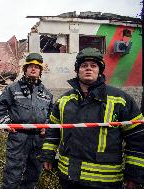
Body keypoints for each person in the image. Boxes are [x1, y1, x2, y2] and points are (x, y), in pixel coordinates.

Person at [41, 48, 144, 189]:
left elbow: (137, 137)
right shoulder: (64, 100)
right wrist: (48, 154)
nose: (88, 68)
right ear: (77, 70)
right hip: (69, 177)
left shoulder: (120, 100)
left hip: (105, 181)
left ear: (100, 70)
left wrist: (134, 173)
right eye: (84, 66)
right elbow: (53, 131)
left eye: (93, 65)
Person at [0, 52, 53, 189]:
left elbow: (52, 113)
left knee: (33, 173)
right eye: (30, 66)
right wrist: (7, 123)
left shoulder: (46, 93)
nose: (33, 69)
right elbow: (0, 106)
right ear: (24, 69)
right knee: (12, 173)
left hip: (39, 139)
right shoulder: (13, 89)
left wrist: (47, 126)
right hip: (18, 137)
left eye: (37, 67)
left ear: (40, 71)